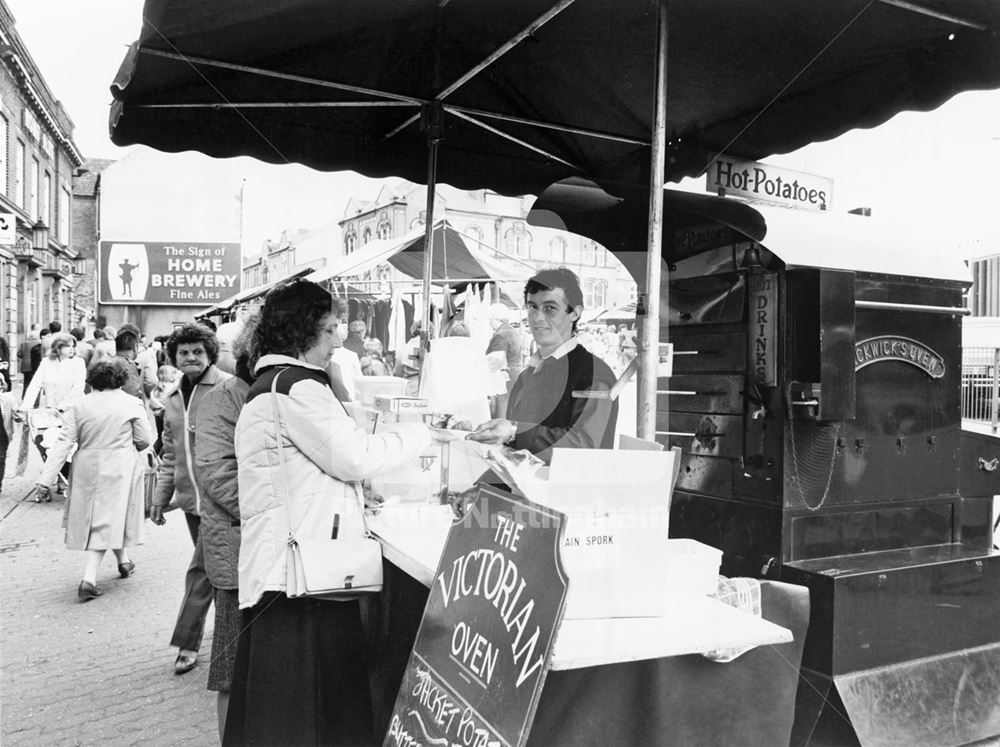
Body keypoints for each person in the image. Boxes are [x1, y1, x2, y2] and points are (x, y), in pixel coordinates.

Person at [224, 279, 439, 746]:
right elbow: (355, 455)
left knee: (283, 711)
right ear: (302, 331)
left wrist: (353, 496)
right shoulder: (296, 387)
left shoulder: (273, 385)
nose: (340, 339)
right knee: (306, 713)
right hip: (302, 576)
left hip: (287, 569)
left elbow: (306, 472)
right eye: (331, 328)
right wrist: (425, 434)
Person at [469, 267, 618, 464]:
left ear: (575, 313)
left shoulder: (593, 373)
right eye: (532, 307)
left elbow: (585, 443)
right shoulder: (530, 372)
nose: (537, 318)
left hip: (568, 489)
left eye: (550, 308)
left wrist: (513, 431)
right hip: (524, 482)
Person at [149, 324, 231, 676]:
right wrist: (160, 496)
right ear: (174, 357)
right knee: (214, 570)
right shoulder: (172, 399)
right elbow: (170, 454)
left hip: (223, 499)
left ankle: (187, 642)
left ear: (210, 353)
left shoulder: (229, 388)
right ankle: (229, 641)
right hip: (191, 503)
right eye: (183, 352)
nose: (191, 357)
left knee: (202, 570)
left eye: (198, 351)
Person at [34, 358, 152, 601]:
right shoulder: (131, 404)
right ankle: (89, 578)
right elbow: (144, 440)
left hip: (86, 466)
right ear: (120, 379)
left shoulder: (78, 406)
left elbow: (64, 443)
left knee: (102, 517)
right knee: (109, 518)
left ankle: (125, 561)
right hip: (120, 465)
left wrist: (45, 480)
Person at [194, 317, 256, 741]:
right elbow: (216, 475)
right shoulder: (223, 399)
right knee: (231, 668)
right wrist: (270, 511)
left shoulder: (267, 393)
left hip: (260, 548)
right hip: (236, 551)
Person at [19, 332, 87, 481]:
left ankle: (68, 476)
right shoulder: (46, 363)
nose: (71, 349)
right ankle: (55, 476)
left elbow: (78, 388)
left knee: (70, 445)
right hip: (50, 411)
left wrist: (62, 406)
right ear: (57, 347)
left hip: (72, 409)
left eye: (73, 346)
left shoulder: (78, 363)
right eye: (67, 346)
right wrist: (25, 406)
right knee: (49, 443)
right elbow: (35, 384)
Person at [486, 303, 524, 418]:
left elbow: (496, 360)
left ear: (496, 318)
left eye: (490, 319)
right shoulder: (512, 331)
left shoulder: (500, 335)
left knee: (502, 411)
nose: (489, 322)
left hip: (505, 378)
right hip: (516, 374)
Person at [17, 325, 41, 392]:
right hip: (36, 366)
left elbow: (19, 354)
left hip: (25, 366)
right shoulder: (39, 344)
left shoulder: (24, 343)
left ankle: (24, 397)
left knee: (26, 382)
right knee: (36, 383)